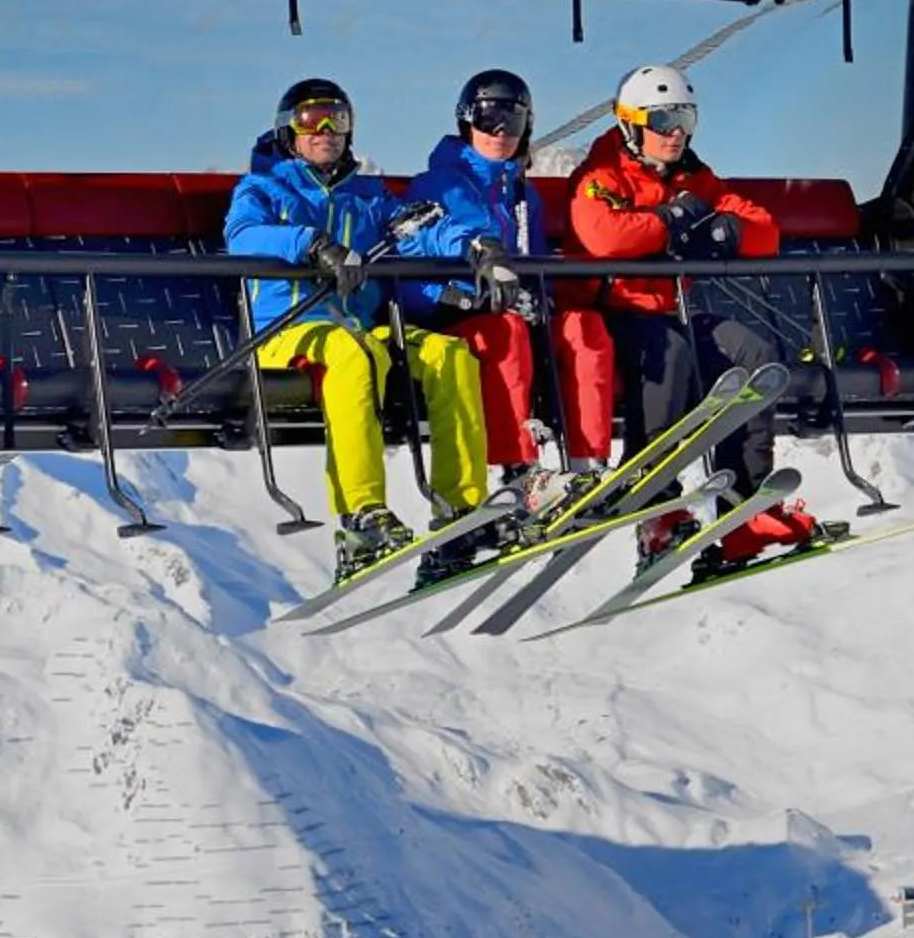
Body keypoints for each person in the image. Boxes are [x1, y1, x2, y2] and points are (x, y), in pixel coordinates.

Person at [566, 63, 834, 575]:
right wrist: (672, 221)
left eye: (686, 119)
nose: (675, 133)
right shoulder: (602, 176)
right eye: (663, 119)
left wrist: (726, 232)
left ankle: (744, 510)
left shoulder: (694, 176)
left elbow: (764, 229)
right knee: (668, 351)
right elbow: (605, 236)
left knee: (754, 354)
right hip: (614, 314)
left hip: (671, 311)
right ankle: (656, 508)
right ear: (630, 123)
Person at [224, 76, 490, 581]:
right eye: (310, 120)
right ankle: (361, 514)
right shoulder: (263, 189)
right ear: (287, 132)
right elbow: (244, 237)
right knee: (352, 354)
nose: (325, 130)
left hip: (357, 328)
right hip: (283, 331)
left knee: (449, 354)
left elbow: (421, 230)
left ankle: (460, 509)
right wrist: (311, 244)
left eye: (337, 119)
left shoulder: (366, 196)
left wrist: (475, 245)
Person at [402, 69, 621, 538]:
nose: (501, 131)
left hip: (513, 312)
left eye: (514, 119)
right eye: (489, 117)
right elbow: (440, 233)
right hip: (455, 313)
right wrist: (476, 265)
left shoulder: (524, 194)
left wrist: (537, 299)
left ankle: (585, 465)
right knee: (505, 333)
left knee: (583, 327)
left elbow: (533, 262)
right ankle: (518, 473)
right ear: (467, 121)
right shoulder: (439, 183)